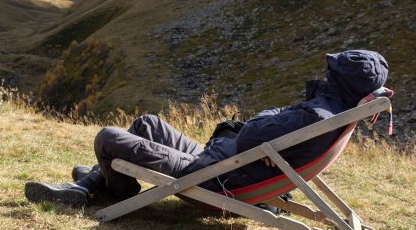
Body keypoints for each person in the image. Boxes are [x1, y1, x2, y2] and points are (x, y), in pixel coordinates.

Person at [25, 49, 392, 208]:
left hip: (214, 177)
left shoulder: (315, 116)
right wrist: (267, 136)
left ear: (340, 80)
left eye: (332, 70)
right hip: (223, 161)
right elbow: (259, 128)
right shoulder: (333, 111)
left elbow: (251, 130)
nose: (324, 73)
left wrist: (265, 128)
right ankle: (90, 185)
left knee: (107, 137)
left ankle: (107, 190)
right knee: (147, 123)